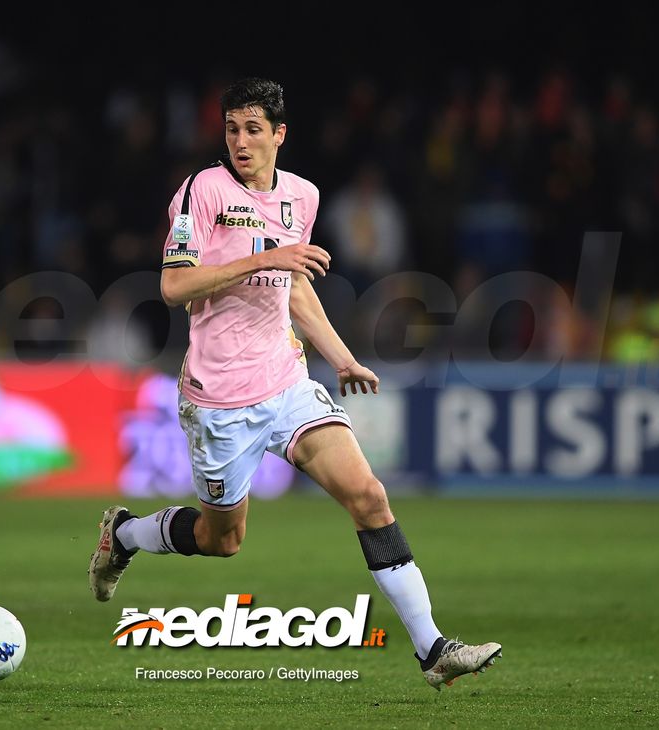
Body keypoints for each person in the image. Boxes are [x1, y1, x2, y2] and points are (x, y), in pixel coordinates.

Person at [89, 78, 501, 690]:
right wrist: (265, 258)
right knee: (222, 541)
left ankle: (433, 649)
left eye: (253, 130)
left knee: (369, 497)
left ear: (279, 135)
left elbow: (295, 288)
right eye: (232, 129)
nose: (240, 141)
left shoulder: (302, 197)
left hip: (287, 382)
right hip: (219, 399)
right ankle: (124, 534)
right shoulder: (204, 190)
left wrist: (342, 357)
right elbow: (173, 287)